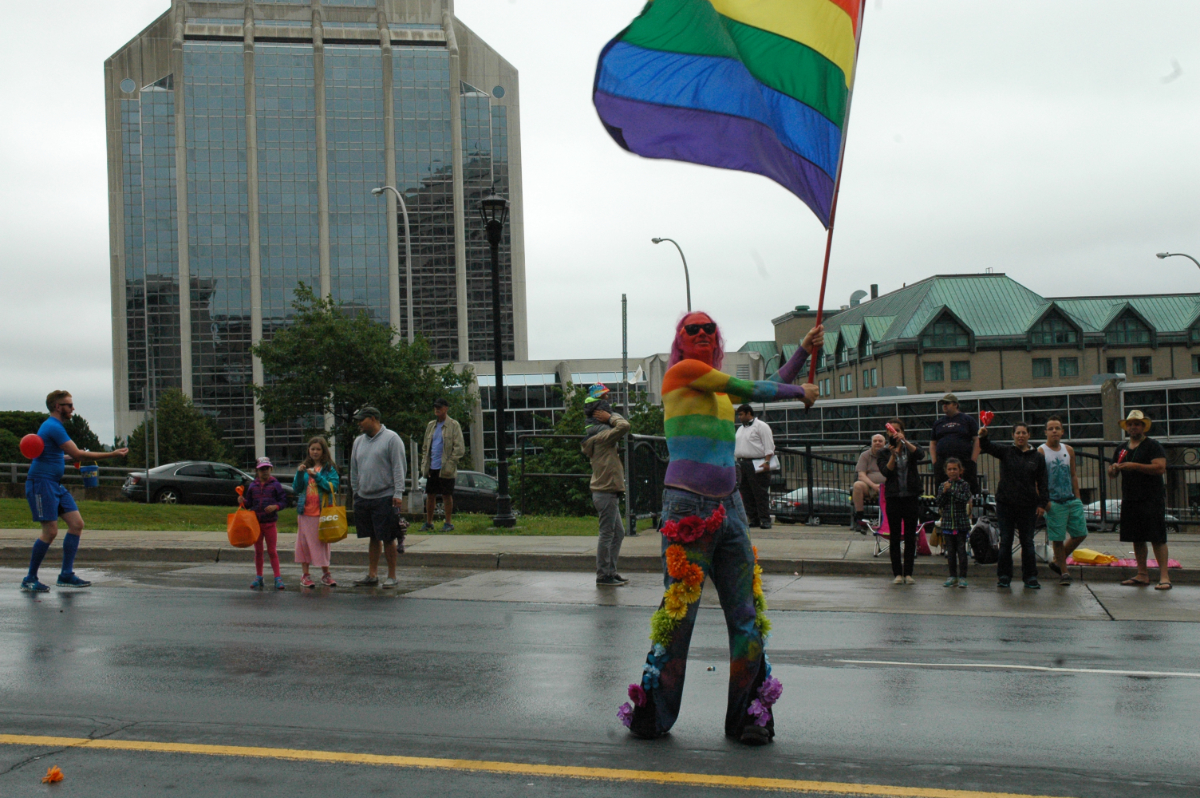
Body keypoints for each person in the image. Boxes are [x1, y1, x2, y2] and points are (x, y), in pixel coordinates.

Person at [619, 313, 820, 747]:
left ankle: (750, 716)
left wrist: (803, 348)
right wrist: (799, 392)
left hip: (731, 508)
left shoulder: (718, 391)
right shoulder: (683, 373)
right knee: (678, 617)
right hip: (687, 506)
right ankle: (653, 714)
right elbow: (752, 388)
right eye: (693, 328)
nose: (703, 333)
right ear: (680, 340)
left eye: (709, 328)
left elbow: (769, 384)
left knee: (747, 617)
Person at [21, 390, 129, 592]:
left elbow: (58, 456)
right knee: (50, 531)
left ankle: (66, 575)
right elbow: (78, 452)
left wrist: (71, 459)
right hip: (41, 483)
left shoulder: (54, 427)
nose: (73, 408)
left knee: (76, 524)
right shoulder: (53, 427)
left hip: (54, 483)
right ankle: (29, 578)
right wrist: (112, 454)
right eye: (69, 405)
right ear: (57, 407)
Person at [978, 421, 1048, 589]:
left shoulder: (1037, 457)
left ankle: (1030, 577)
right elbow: (986, 446)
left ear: (1029, 435)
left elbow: (1043, 482)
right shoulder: (1006, 452)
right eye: (1018, 433)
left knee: (1027, 542)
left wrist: (1042, 504)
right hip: (1005, 504)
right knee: (1006, 541)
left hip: (1028, 505)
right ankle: (1004, 576)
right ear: (1013, 435)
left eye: (1024, 433)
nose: (1021, 436)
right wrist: (984, 435)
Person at [1108, 410, 1171, 590]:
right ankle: (1142, 574)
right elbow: (1112, 474)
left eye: (1137, 424)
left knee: (1157, 537)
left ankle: (1164, 576)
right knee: (1137, 537)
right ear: (1126, 427)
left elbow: (1160, 468)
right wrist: (1113, 470)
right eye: (1130, 424)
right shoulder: (1121, 448)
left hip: (1152, 497)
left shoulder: (1153, 445)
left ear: (1143, 427)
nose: (1133, 427)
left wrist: (1134, 466)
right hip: (1131, 498)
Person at [349, 406, 407, 589]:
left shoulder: (392, 438)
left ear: (373, 419)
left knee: (388, 537)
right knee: (373, 537)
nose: (359, 423)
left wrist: (398, 494)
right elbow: (354, 468)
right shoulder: (358, 441)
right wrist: (355, 491)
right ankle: (372, 574)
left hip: (385, 496)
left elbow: (399, 468)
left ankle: (392, 575)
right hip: (364, 497)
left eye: (362, 419)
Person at [581, 384, 632, 586]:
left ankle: (610, 570)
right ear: (599, 413)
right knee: (607, 533)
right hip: (605, 491)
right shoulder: (602, 436)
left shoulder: (598, 435)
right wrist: (610, 417)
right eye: (605, 407)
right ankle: (603, 575)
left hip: (606, 490)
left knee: (617, 533)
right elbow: (624, 426)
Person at [1040, 415, 1087, 587]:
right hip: (1053, 501)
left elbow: (1073, 474)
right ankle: (1064, 571)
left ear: (1062, 431)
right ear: (1045, 432)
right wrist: (1044, 502)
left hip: (1070, 498)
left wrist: (1078, 497)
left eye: (1057, 428)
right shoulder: (1041, 451)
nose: (1054, 431)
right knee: (1057, 538)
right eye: (1051, 428)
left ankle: (1057, 560)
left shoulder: (1069, 450)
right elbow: (1038, 479)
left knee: (1080, 533)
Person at [878, 418, 925, 585]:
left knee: (911, 536)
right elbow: (886, 472)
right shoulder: (884, 452)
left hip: (911, 496)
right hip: (894, 497)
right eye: (892, 430)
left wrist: (905, 441)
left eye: (898, 430)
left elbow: (921, 454)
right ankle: (897, 573)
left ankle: (909, 573)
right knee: (895, 536)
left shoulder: (910, 447)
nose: (895, 433)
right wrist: (893, 454)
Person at [293, 436, 341, 589]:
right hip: (305, 513)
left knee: (323, 544)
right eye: (312, 449)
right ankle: (305, 575)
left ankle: (326, 574)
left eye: (318, 449)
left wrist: (317, 477)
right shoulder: (304, 467)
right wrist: (300, 474)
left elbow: (332, 486)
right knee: (304, 544)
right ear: (308, 450)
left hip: (322, 513)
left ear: (323, 451)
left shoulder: (329, 469)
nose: (315, 452)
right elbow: (297, 488)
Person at [242, 457, 289, 591]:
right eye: (262, 469)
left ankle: (277, 577)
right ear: (257, 471)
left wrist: (276, 507)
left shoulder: (275, 485)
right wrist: (242, 501)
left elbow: (283, 501)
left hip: (270, 523)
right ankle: (259, 576)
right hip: (256, 524)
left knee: (272, 550)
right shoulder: (253, 486)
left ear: (271, 469)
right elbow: (248, 504)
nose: (265, 472)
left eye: (267, 469)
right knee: (258, 551)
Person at [420, 398, 466, 532]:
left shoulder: (453, 425)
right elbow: (425, 447)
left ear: (446, 408)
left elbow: (459, 448)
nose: (437, 409)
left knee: (446, 495)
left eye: (439, 407)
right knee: (430, 494)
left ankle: (448, 523)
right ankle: (429, 522)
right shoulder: (431, 425)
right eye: (435, 407)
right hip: (432, 467)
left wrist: (451, 463)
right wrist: (425, 464)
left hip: (446, 467)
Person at [734, 404, 777, 530]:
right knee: (746, 493)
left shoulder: (761, 426)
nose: (739, 417)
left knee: (760, 493)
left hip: (757, 462)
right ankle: (754, 519)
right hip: (742, 463)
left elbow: (769, 445)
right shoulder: (740, 429)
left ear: (749, 413)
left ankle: (765, 519)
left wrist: (767, 461)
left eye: (741, 414)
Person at [930, 394, 980, 496]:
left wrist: (973, 459)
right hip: (943, 462)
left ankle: (969, 510)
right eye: (943, 404)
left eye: (947, 403)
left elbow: (977, 439)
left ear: (956, 405)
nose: (944, 406)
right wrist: (934, 461)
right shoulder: (938, 423)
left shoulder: (967, 420)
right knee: (942, 490)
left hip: (964, 461)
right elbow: (933, 442)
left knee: (967, 490)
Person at [936, 457, 973, 588]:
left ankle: (963, 576)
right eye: (950, 469)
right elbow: (939, 503)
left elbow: (964, 499)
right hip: (947, 523)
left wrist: (951, 491)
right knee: (950, 552)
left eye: (955, 469)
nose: (952, 471)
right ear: (946, 471)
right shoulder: (942, 485)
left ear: (960, 470)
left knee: (961, 551)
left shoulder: (964, 485)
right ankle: (952, 576)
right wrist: (945, 492)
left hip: (961, 523)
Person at [852, 434, 887, 533]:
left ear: (885, 443)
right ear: (871, 443)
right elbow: (861, 475)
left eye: (880, 441)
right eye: (875, 441)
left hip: (887, 487)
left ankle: (889, 523)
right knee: (857, 485)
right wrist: (874, 486)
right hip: (870, 487)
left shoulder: (889, 455)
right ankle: (860, 520)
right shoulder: (865, 455)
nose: (877, 443)